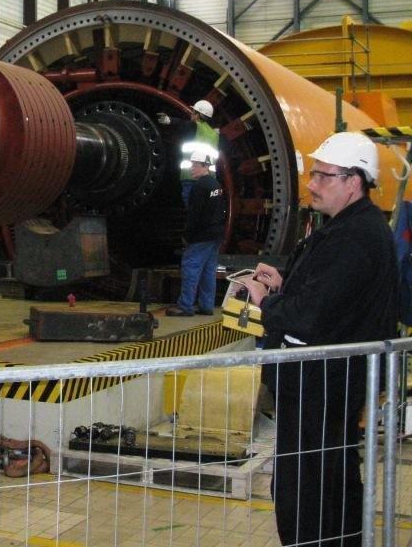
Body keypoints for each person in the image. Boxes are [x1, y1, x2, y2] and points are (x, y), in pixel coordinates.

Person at [239, 131, 399, 547]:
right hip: (322, 384)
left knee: (309, 488)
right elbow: (331, 299)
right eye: (313, 174)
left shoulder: (355, 237)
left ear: (353, 181)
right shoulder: (349, 228)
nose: (312, 184)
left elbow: (310, 316)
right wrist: (284, 285)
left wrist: (265, 302)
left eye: (324, 176)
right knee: (326, 478)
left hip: (322, 385)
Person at [166, 151, 226, 317]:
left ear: (205, 166)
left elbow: (194, 214)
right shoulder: (216, 185)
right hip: (215, 235)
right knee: (208, 271)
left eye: (195, 165)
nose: (192, 168)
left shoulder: (199, 187)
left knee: (191, 268)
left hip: (201, 236)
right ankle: (206, 306)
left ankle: (185, 306)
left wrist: (187, 235)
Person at [157, 99, 220, 205]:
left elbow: (182, 124)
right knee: (205, 208)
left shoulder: (195, 126)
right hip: (210, 179)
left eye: (193, 112)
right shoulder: (214, 134)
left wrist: (169, 120)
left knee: (192, 206)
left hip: (192, 176)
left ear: (198, 115)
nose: (191, 114)